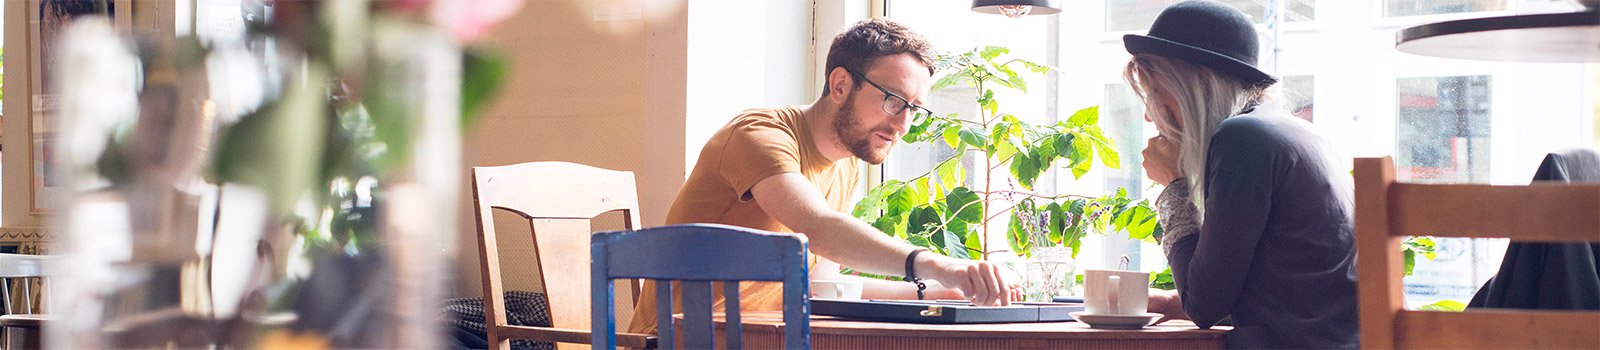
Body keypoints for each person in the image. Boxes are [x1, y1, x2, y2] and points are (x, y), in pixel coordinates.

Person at [628, 18, 1018, 334]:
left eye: (915, 109)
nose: (902, 123)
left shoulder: (845, 162)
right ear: (840, 84)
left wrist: (931, 292)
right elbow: (818, 226)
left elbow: (820, 286)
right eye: (893, 100)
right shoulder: (759, 135)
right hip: (678, 339)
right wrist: (934, 264)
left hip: (762, 338)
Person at [1125, 1, 1360, 348]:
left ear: (1194, 85)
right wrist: (1174, 303)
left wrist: (1174, 187)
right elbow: (1284, 288)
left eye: (1156, 91)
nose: (1150, 116)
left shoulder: (1242, 139)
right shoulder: (1293, 131)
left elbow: (1204, 307)